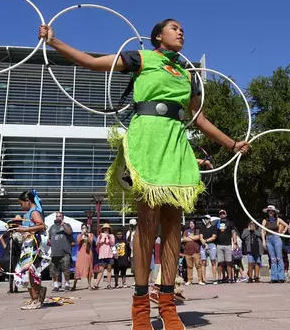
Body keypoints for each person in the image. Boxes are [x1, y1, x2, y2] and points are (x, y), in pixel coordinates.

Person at [39, 18, 249, 330]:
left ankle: (167, 303)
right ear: (157, 36)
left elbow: (199, 117)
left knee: (174, 226)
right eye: (173, 27)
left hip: (176, 144)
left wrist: (232, 144)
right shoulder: (142, 58)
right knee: (148, 224)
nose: (181, 31)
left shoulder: (188, 74)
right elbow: (93, 63)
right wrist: (54, 42)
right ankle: (140, 305)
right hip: (148, 141)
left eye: (182, 28)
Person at [13, 190, 48, 309]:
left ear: (28, 201)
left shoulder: (33, 212)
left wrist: (23, 230)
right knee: (27, 273)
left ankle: (36, 299)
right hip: (28, 246)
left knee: (30, 273)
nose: (20, 206)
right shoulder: (29, 213)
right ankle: (35, 297)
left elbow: (42, 226)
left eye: (21, 203)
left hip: (33, 246)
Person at [261, 205, 288, 283]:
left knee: (279, 257)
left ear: (274, 212)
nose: (270, 212)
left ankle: (281, 277)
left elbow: (286, 226)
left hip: (276, 238)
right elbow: (263, 231)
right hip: (268, 239)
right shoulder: (265, 221)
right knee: (272, 259)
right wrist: (263, 241)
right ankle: (274, 278)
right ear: (267, 212)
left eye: (272, 211)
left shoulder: (278, 219)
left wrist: (282, 233)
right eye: (269, 211)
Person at [48, 212, 73, 292]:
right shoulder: (52, 227)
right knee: (54, 270)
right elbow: (49, 238)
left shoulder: (67, 225)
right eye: (57, 216)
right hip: (54, 252)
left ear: (62, 217)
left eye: (60, 216)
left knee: (66, 269)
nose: (58, 218)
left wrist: (63, 224)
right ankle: (56, 285)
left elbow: (69, 232)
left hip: (65, 252)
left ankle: (67, 284)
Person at [216, 209, 238, 284]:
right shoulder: (217, 223)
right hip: (219, 245)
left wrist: (235, 243)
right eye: (220, 213)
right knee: (220, 262)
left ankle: (230, 278)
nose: (222, 214)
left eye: (223, 213)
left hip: (228, 244)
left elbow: (233, 233)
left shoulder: (230, 223)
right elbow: (214, 233)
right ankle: (219, 278)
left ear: (226, 214)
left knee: (229, 262)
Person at [73, 223, 95, 291]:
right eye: (83, 228)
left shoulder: (91, 235)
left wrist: (86, 236)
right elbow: (78, 243)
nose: (84, 229)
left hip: (88, 253)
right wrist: (82, 235)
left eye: (85, 228)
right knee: (78, 268)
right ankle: (74, 285)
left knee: (89, 268)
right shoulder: (79, 235)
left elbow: (90, 242)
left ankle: (89, 285)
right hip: (81, 253)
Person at [182, 220, 204, 285]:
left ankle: (200, 280)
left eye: (192, 223)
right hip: (187, 252)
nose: (191, 224)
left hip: (196, 251)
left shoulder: (198, 231)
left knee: (198, 266)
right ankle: (189, 280)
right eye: (190, 223)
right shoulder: (186, 231)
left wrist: (189, 237)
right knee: (189, 267)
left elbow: (198, 237)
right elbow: (184, 239)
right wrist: (193, 238)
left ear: (195, 224)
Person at [95, 223, 115, 289]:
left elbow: (112, 244)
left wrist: (109, 237)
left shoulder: (111, 236)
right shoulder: (100, 236)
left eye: (107, 229)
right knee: (100, 270)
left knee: (109, 270)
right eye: (105, 229)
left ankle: (109, 284)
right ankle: (96, 284)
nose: (106, 230)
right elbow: (97, 245)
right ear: (103, 229)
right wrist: (100, 238)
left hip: (109, 255)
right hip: (102, 255)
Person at [199, 215, 218, 283]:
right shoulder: (202, 227)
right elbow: (200, 237)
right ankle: (204, 279)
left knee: (213, 261)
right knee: (203, 262)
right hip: (203, 245)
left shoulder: (213, 227)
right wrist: (204, 243)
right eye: (204, 218)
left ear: (210, 220)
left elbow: (214, 237)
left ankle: (214, 279)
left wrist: (206, 241)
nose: (205, 220)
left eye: (207, 219)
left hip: (212, 244)